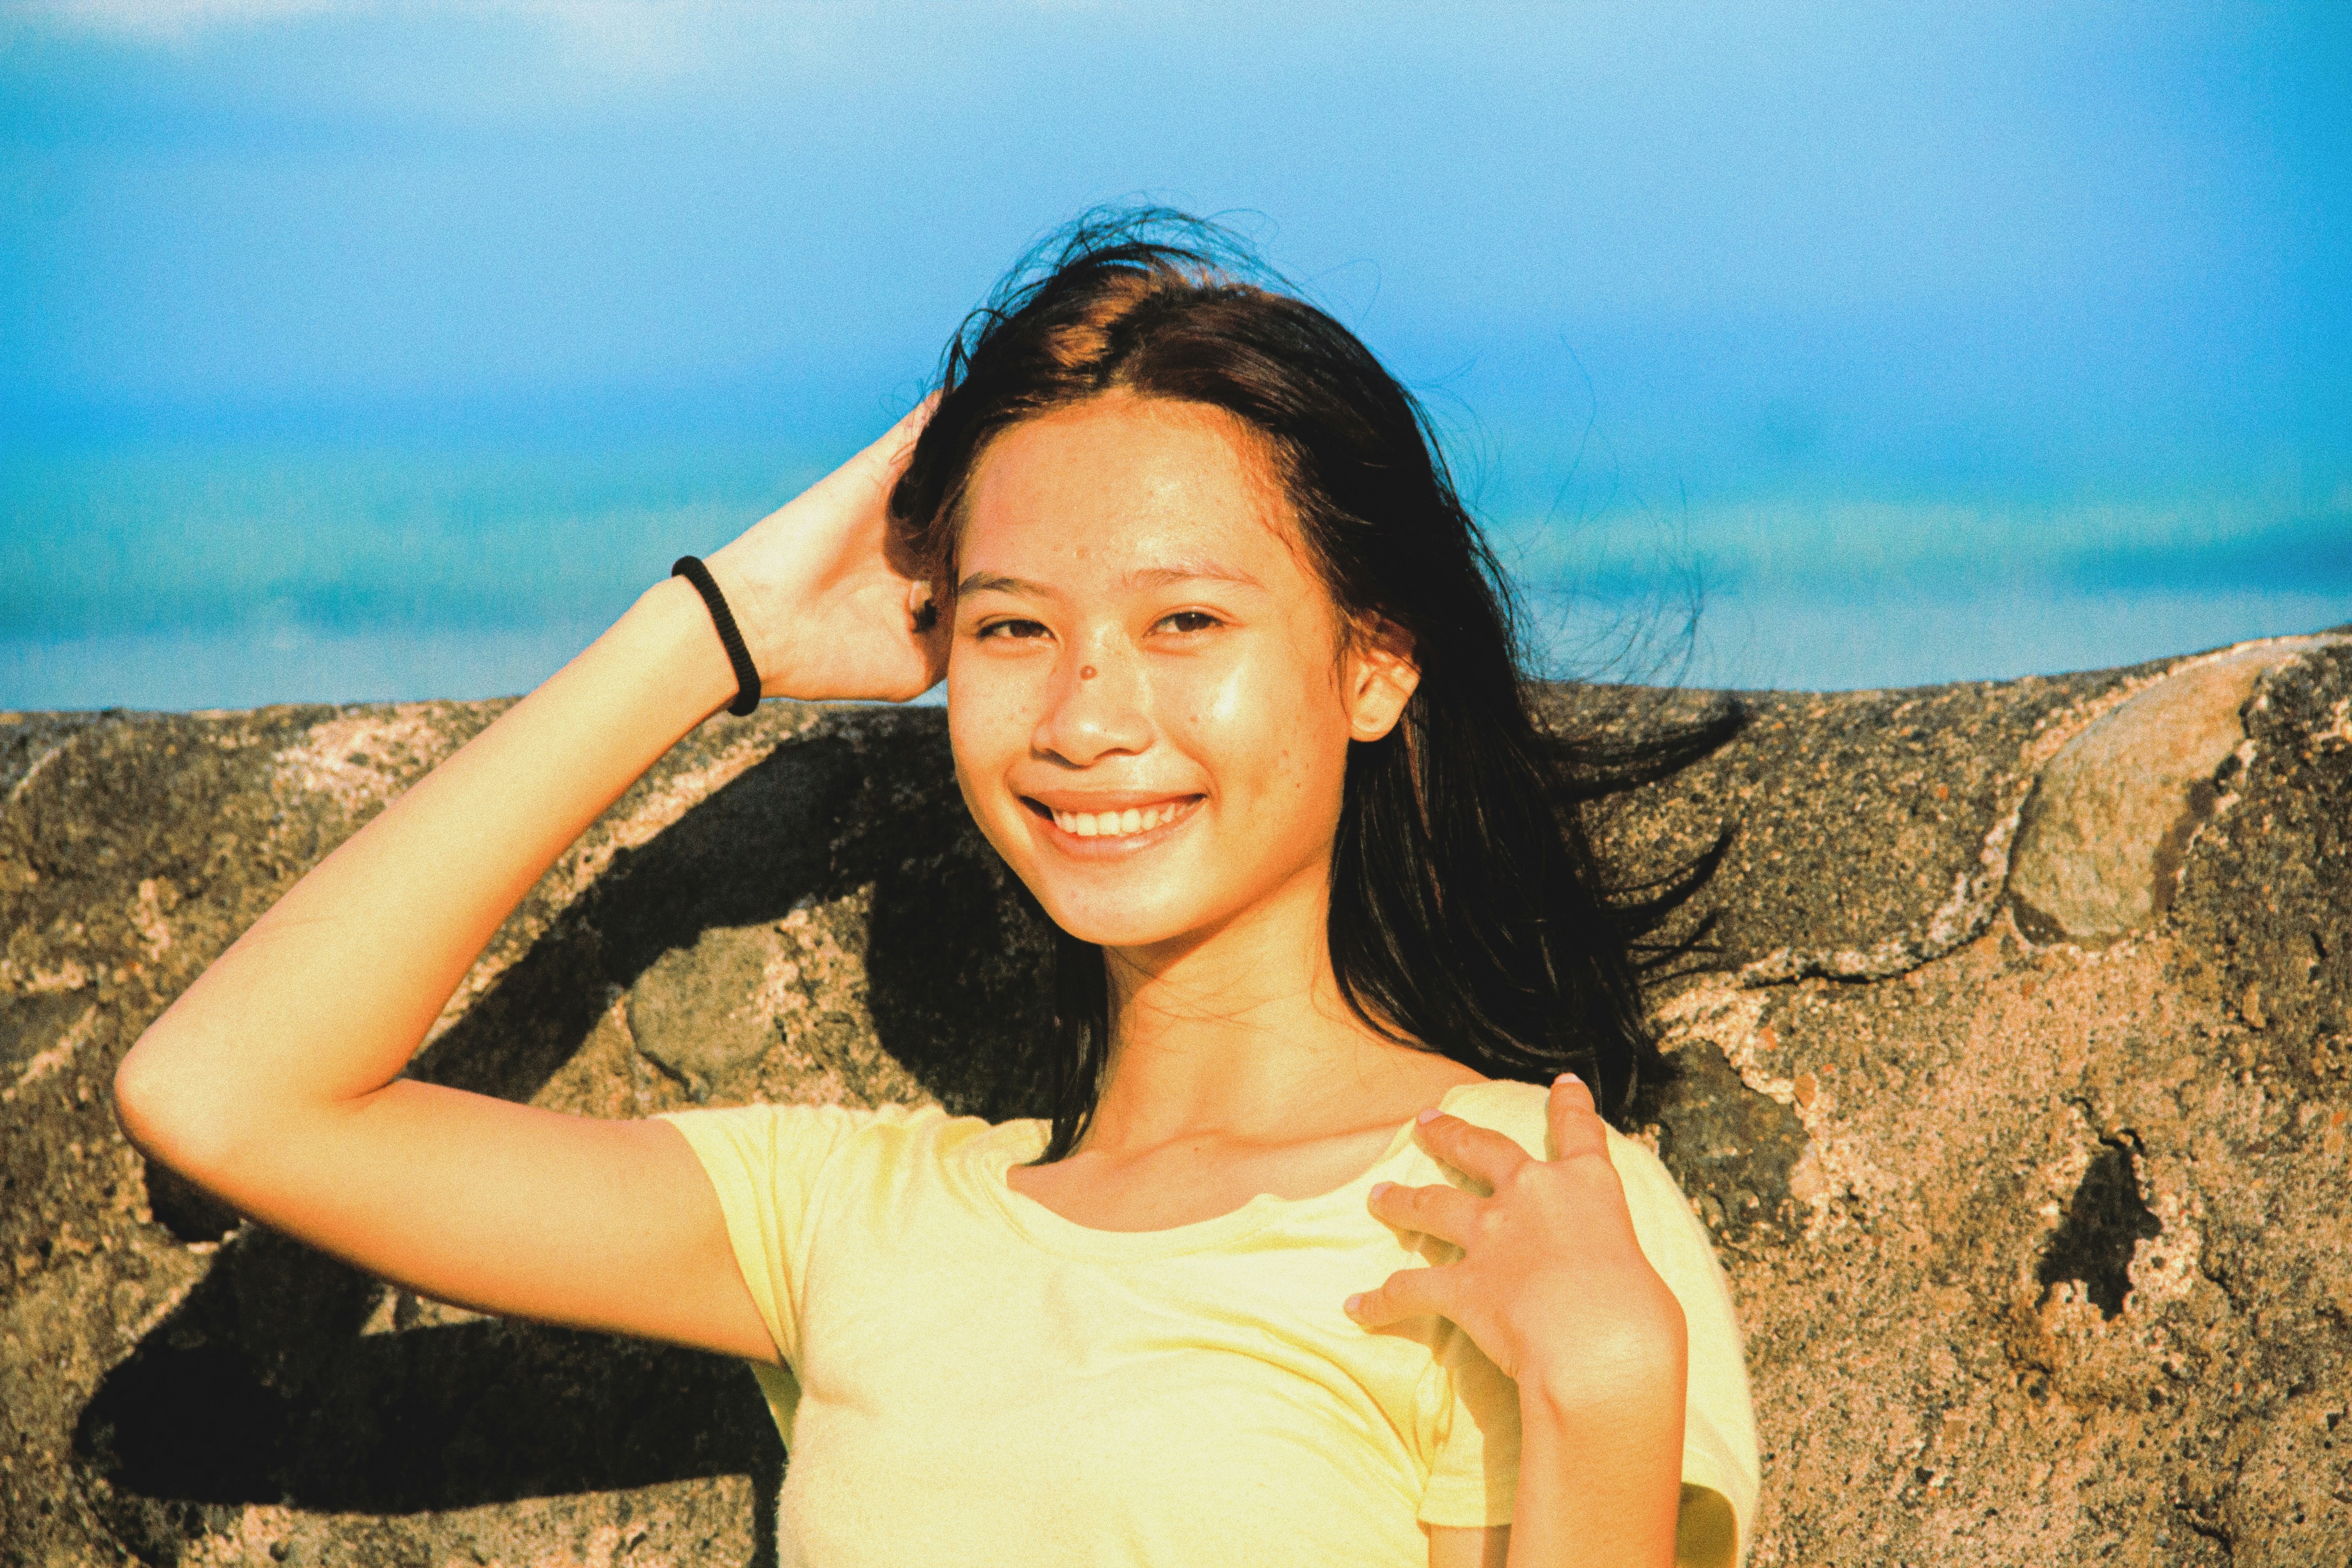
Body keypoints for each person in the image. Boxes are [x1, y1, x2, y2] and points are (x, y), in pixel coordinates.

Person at [115, 213, 1758, 1568]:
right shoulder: (857, 1217)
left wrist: (1609, 1396)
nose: (1088, 720)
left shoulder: (1522, 1213)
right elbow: (225, 1095)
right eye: (1011, 628)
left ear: (1376, 665)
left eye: (1186, 623)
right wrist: (724, 627)